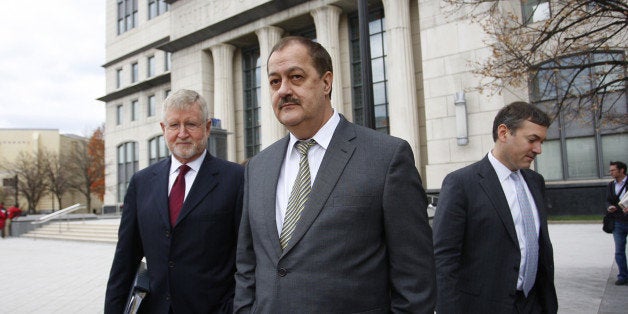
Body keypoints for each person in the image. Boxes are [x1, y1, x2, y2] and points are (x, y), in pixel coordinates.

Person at [234, 36, 436, 313]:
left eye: (296, 77)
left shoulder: (386, 158)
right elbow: (247, 264)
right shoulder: (257, 167)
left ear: (326, 82)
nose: (283, 90)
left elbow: (415, 277)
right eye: (274, 82)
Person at [105, 89, 244, 313]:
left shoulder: (236, 179)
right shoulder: (141, 183)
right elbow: (125, 261)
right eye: (174, 125)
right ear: (163, 129)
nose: (182, 133)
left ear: (207, 127)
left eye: (191, 124)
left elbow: (247, 257)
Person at [433, 101, 558, 313]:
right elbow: (444, 258)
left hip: (533, 304)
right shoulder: (461, 184)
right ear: (503, 132)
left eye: (542, 142)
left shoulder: (536, 182)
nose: (538, 149)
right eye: (532, 140)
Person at [606, 161, 628, 285]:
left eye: (613, 170)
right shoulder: (610, 185)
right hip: (617, 221)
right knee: (619, 250)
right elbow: (607, 200)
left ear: (622, 170)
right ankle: (623, 276)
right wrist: (609, 207)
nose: (611, 172)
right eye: (610, 170)